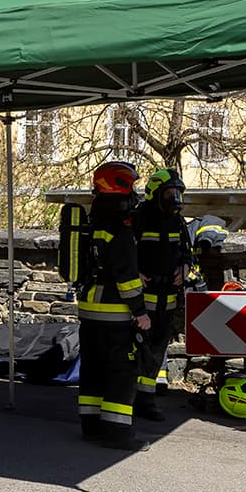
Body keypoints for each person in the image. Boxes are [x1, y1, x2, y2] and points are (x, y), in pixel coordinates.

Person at [77, 161, 151, 449]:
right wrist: (140, 312)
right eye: (132, 187)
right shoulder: (120, 229)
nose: (135, 193)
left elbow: (101, 264)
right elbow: (124, 277)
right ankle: (117, 433)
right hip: (114, 312)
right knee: (122, 372)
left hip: (90, 308)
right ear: (120, 188)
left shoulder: (93, 222)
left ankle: (91, 426)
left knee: (93, 369)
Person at [132, 167, 193, 421]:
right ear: (156, 193)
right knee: (138, 348)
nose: (174, 198)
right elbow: (125, 250)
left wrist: (185, 267)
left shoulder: (177, 221)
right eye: (170, 192)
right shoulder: (139, 217)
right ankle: (128, 397)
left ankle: (146, 399)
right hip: (143, 297)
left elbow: (186, 251)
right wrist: (135, 272)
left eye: (177, 192)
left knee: (157, 347)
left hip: (167, 295)